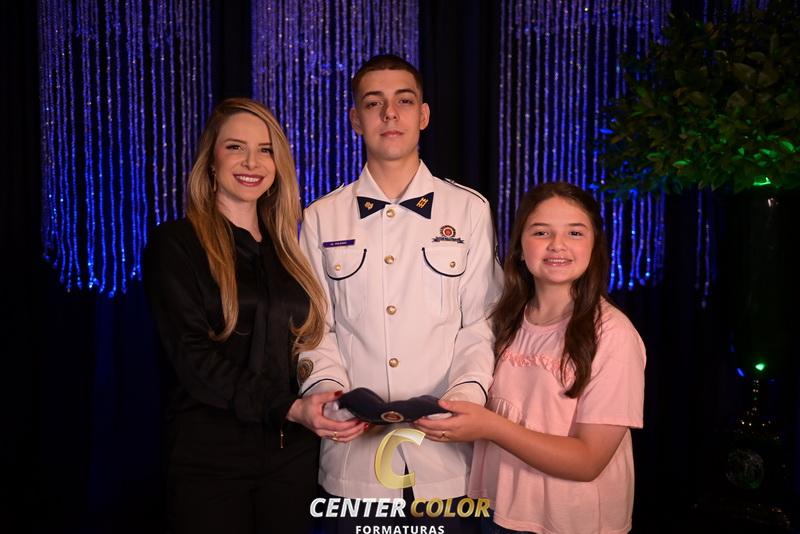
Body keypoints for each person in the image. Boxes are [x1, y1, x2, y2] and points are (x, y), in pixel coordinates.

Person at [297, 54, 502, 532]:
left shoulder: (469, 210)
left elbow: (481, 322)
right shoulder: (321, 217)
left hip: (447, 455)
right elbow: (314, 327)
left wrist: (466, 397)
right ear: (356, 119)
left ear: (423, 115)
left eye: (404, 101)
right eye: (374, 103)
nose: (390, 113)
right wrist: (327, 393)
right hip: (354, 458)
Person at [143, 97, 365, 534]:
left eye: (265, 150)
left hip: (293, 457)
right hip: (210, 460)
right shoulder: (176, 245)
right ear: (210, 160)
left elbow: (312, 343)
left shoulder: (292, 252)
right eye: (235, 147)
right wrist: (290, 408)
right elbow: (193, 359)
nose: (251, 162)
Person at [415, 182, 646, 534]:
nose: (557, 244)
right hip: (495, 512)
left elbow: (588, 461)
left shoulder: (613, 335)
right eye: (541, 232)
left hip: (568, 524)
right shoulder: (502, 320)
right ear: (521, 248)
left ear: (595, 245)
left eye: (574, 232)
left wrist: (490, 427)